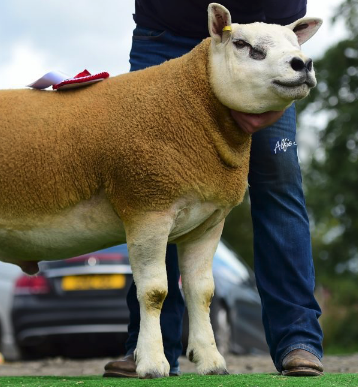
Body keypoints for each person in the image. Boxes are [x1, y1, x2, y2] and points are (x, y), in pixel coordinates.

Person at [103, 0, 324, 378]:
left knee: (277, 181)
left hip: (263, 46)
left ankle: (298, 340)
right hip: (165, 37)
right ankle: (150, 346)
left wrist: (271, 103)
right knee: (155, 186)